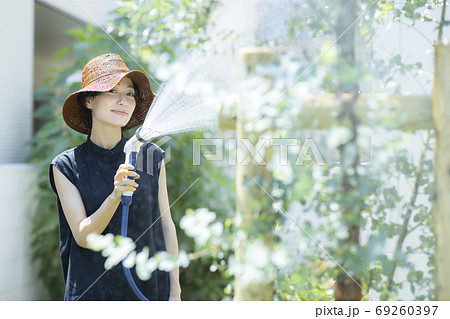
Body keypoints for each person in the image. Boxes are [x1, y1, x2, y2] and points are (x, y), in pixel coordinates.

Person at [49, 53, 181, 301]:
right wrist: (115, 195)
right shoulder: (66, 166)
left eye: (130, 93)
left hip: (149, 293)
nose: (123, 100)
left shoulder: (149, 157)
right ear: (89, 100)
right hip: (92, 295)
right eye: (112, 90)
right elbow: (84, 237)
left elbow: (166, 226)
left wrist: (175, 291)